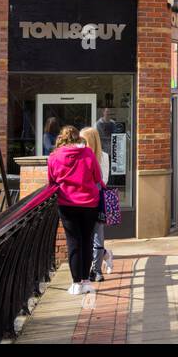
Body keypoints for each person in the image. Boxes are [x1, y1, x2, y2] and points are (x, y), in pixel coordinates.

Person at [46, 125, 103, 295]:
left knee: (73, 243)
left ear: (61, 138)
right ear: (78, 137)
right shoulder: (88, 153)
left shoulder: (54, 157)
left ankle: (76, 283)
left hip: (67, 203)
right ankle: (86, 281)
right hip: (89, 203)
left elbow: (51, 182)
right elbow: (97, 178)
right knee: (87, 241)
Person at [79, 126, 114, 282]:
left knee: (97, 235)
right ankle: (105, 255)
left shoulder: (103, 157)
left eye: (82, 140)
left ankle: (96, 270)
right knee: (86, 237)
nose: (79, 143)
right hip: (82, 200)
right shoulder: (79, 155)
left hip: (97, 198)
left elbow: (104, 180)